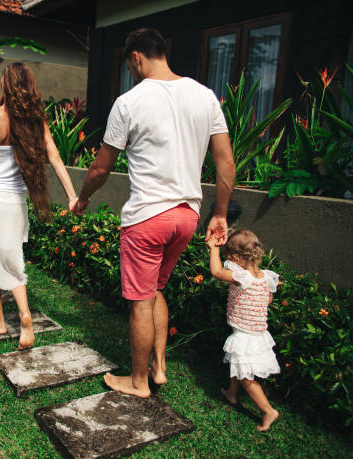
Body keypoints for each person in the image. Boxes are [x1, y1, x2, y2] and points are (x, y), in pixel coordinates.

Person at [72, 28, 236, 397]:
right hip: (186, 216)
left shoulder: (129, 101)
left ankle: (138, 381)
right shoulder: (204, 95)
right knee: (156, 288)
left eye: (130, 65)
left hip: (147, 217)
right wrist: (220, 214)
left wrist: (82, 198)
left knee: (140, 301)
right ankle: (159, 368)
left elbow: (100, 168)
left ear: (136, 58)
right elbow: (225, 162)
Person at [0, 62, 78, 349]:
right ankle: (25, 315)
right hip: (15, 202)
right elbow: (56, 159)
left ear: (6, 85)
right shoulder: (37, 122)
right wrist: (72, 195)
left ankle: (0, 323)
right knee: (13, 259)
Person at [207, 229, 280, 431]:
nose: (228, 261)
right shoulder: (266, 278)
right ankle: (231, 393)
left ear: (238, 257)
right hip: (258, 334)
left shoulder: (242, 277)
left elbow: (216, 272)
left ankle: (268, 411)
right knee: (238, 366)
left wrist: (213, 249)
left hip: (246, 337)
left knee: (247, 378)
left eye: (229, 257)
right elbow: (269, 300)